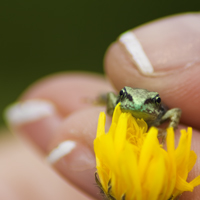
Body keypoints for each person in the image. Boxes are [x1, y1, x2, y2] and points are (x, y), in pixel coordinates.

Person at [2, 13, 200, 200]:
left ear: (155, 103)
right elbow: (113, 100)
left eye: (151, 101)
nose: (136, 105)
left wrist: (168, 131)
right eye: (124, 98)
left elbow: (175, 111)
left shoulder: (160, 112)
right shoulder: (120, 103)